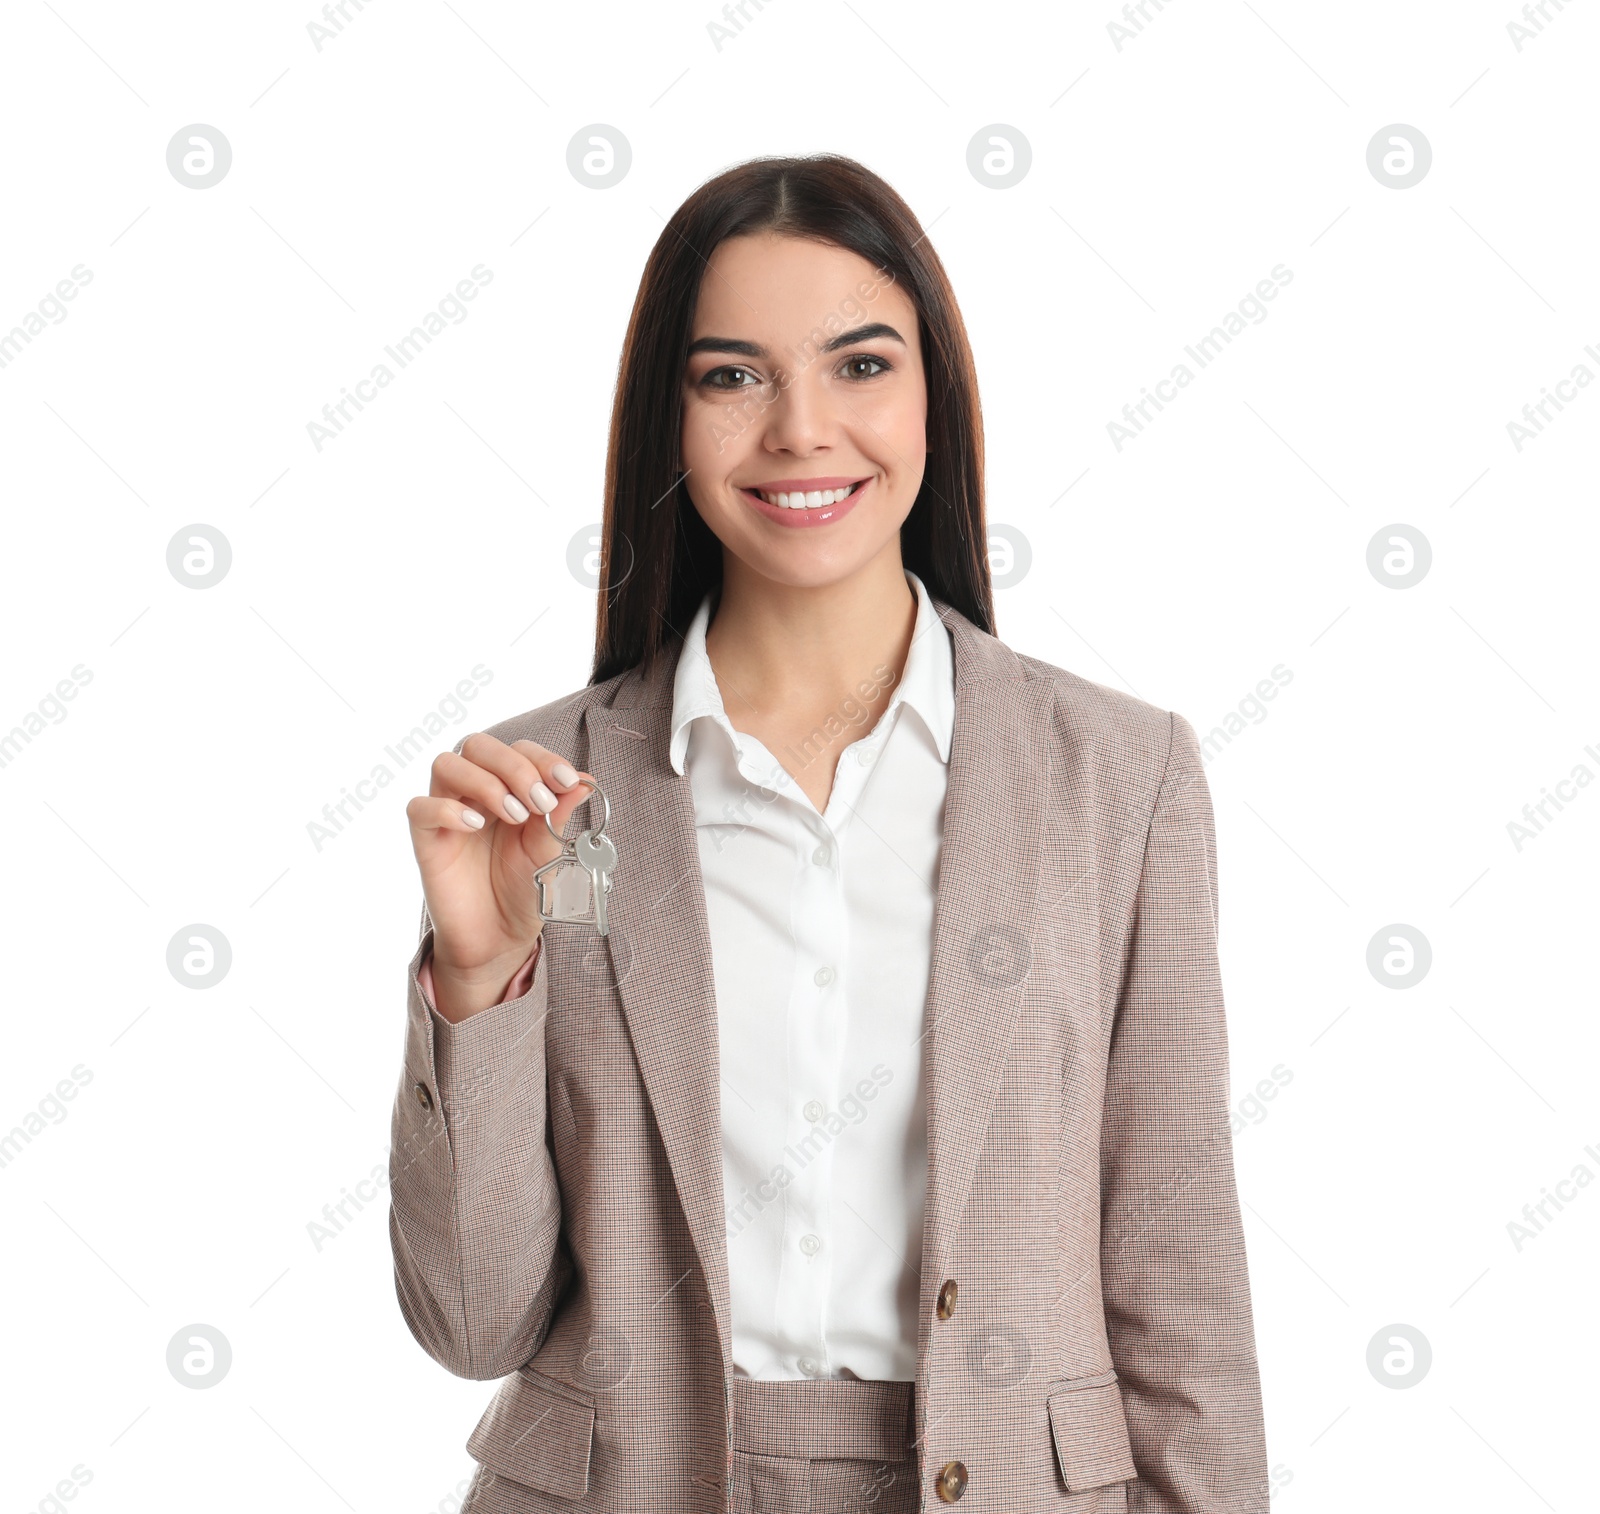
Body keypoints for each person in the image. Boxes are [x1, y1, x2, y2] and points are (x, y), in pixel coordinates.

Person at [389, 152, 1268, 1513]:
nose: (802, 428)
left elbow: (1177, 1270)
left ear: (935, 397)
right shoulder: (545, 796)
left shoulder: (1118, 774)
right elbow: (473, 1320)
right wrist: (478, 977)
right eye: (732, 375)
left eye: (860, 365)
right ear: (669, 419)